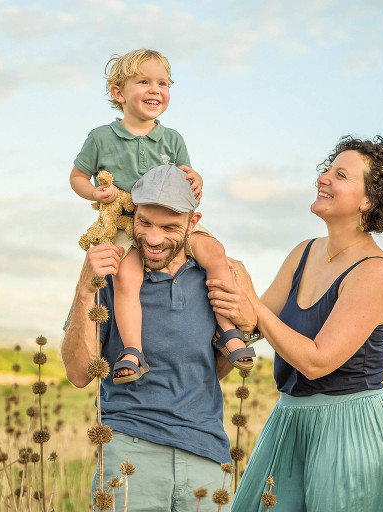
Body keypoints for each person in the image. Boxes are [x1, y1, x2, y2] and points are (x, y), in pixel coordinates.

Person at [207, 136, 383, 511]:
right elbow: (253, 323)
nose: (323, 178)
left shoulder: (376, 271)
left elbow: (317, 360)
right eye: (327, 169)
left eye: (340, 175)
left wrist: (252, 302)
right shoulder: (303, 251)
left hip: (349, 427)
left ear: (367, 200)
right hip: (288, 419)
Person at [62, 164, 249, 511]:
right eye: (144, 222)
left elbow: (213, 368)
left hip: (206, 454)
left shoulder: (215, 277)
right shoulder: (112, 273)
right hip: (129, 450)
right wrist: (86, 287)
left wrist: (247, 324)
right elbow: (77, 373)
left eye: (169, 227)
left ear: (194, 224)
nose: (152, 238)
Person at [69, 49, 253, 385]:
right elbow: (78, 177)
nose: (156, 89)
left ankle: (228, 330)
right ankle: (132, 349)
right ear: (118, 93)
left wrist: (197, 179)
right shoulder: (101, 137)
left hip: (166, 222)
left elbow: (186, 178)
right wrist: (94, 193)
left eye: (163, 83)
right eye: (144, 82)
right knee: (127, 276)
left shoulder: (172, 138)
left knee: (216, 253)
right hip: (126, 223)